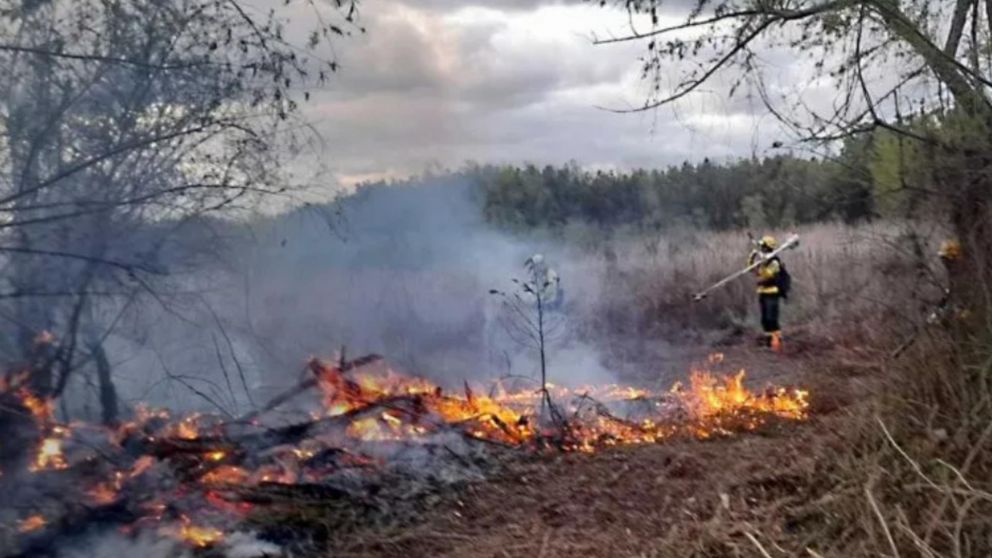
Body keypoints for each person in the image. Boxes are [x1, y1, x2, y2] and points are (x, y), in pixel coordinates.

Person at [748, 235, 784, 351]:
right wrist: (752, 256)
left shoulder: (774, 262)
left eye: (763, 246)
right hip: (762, 292)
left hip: (772, 293)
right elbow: (751, 269)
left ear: (768, 247)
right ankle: (768, 343)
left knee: (771, 318)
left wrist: (763, 262)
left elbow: (767, 275)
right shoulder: (763, 260)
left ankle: (777, 343)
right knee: (764, 319)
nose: (761, 248)